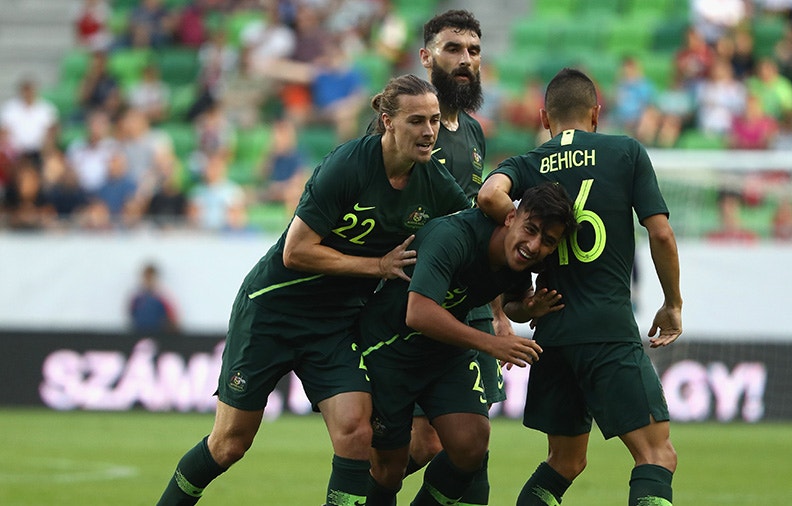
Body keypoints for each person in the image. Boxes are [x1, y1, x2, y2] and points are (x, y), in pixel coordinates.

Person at [156, 73, 470, 506]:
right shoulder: (349, 165)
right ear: (386, 122)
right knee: (230, 444)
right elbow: (296, 252)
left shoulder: (433, 183)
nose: (430, 131)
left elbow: (474, 232)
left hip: (335, 325)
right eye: (417, 120)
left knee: (357, 432)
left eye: (434, 120)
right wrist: (377, 265)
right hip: (273, 311)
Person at [478, 68, 683, 506]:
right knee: (656, 455)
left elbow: (489, 195)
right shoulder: (626, 152)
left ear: (545, 118)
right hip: (607, 329)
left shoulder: (529, 162)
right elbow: (661, 234)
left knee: (564, 461)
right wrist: (672, 303)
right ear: (596, 113)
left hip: (551, 334)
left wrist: (518, 225)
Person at [362, 183, 577, 505]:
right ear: (510, 217)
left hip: (443, 351)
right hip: (390, 349)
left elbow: (513, 302)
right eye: (530, 230)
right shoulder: (451, 236)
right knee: (389, 470)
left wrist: (527, 309)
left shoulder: (518, 260)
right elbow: (418, 312)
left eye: (547, 241)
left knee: (471, 443)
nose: (533, 246)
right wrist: (492, 343)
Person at [404, 11, 509, 504]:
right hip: (413, 303)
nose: (466, 60)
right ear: (427, 57)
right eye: (453, 49)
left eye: (473, 51)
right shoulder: (404, 125)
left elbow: (479, 234)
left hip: (468, 305)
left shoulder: (473, 133)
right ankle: (355, 492)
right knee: (420, 445)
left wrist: (499, 312)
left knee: (471, 445)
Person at [129, 262, 179, 333]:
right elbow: (132, 315)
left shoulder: (162, 298)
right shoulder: (137, 299)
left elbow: (172, 319)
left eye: (151, 278)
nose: (148, 281)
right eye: (146, 277)